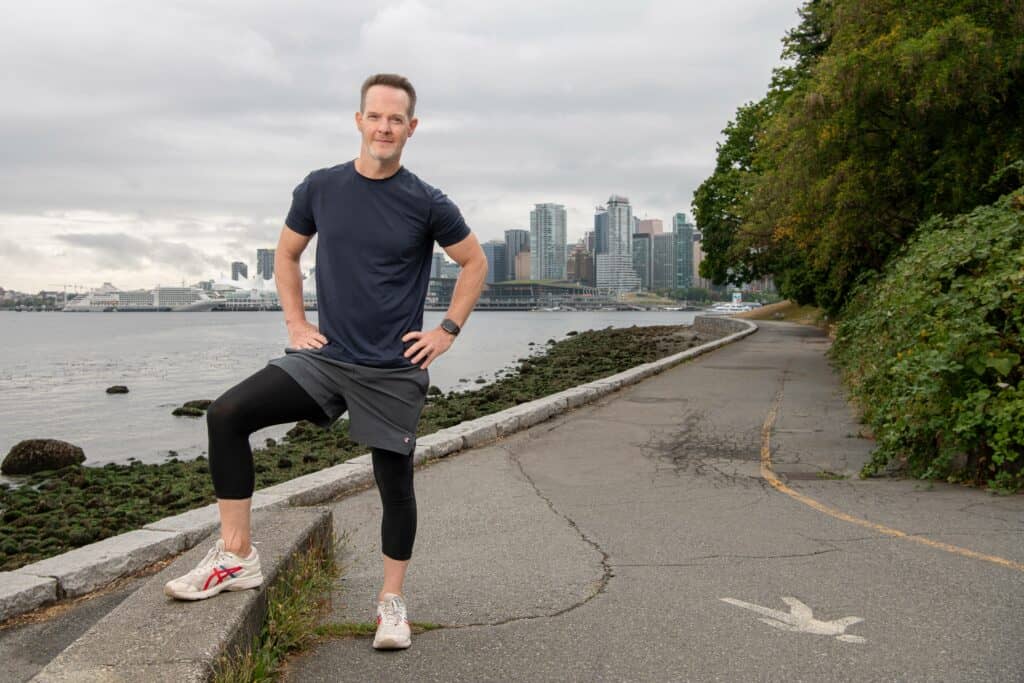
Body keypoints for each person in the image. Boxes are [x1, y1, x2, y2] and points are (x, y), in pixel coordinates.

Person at [163, 73, 487, 651]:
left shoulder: (428, 201)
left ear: (411, 129)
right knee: (227, 415)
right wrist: (296, 324)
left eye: (396, 119)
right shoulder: (320, 187)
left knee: (394, 484)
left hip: (391, 368)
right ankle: (237, 556)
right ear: (359, 121)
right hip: (328, 357)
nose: (384, 127)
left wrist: (446, 332)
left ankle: (391, 602)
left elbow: (474, 263)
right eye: (375, 116)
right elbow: (287, 254)